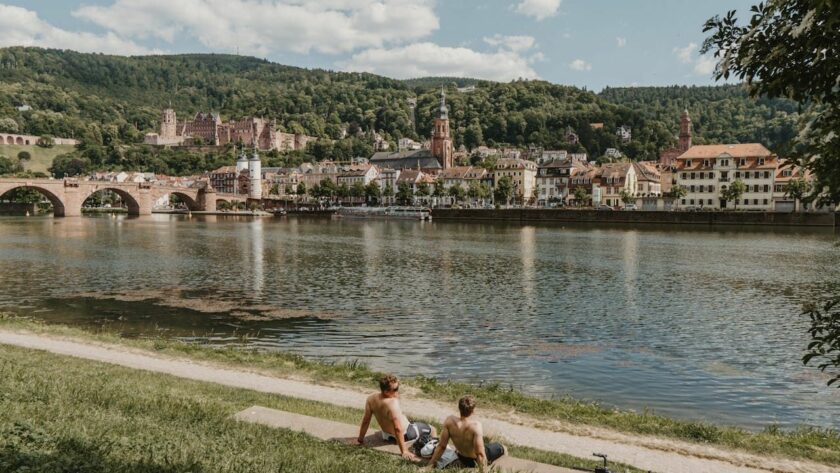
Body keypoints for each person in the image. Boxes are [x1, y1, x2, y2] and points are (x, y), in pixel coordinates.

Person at [357, 374, 434, 460]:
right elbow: (397, 428)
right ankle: (431, 451)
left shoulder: (371, 398)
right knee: (432, 429)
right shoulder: (392, 404)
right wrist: (404, 451)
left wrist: (360, 439)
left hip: (386, 435)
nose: (397, 391)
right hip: (406, 434)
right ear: (386, 391)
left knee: (410, 420)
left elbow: (366, 421)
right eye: (395, 389)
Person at [426, 395, 506, 471]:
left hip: (462, 458)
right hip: (474, 460)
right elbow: (480, 454)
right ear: (473, 410)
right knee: (502, 447)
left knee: (484, 446)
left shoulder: (449, 421)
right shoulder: (475, 426)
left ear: (459, 408)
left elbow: (441, 446)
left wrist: (429, 466)